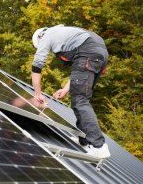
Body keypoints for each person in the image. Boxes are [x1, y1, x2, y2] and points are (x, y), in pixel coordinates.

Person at [31, 25, 110, 158]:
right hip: (101, 52)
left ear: (39, 38)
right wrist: (65, 89)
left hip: (89, 51)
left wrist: (38, 93)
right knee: (82, 98)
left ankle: (99, 146)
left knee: (80, 101)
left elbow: (37, 66)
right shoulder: (63, 32)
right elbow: (79, 67)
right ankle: (84, 140)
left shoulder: (46, 36)